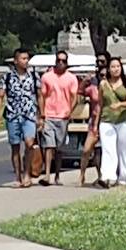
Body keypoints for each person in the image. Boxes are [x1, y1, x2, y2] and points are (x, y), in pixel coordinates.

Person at [37, 53, 83, 185]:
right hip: (49, 115)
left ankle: (57, 175)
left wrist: (70, 110)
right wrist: (42, 114)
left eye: (64, 60)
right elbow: (42, 96)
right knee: (49, 145)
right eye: (59, 60)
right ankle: (47, 175)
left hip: (63, 116)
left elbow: (74, 96)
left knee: (59, 148)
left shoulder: (71, 78)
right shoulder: (47, 77)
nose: (61, 62)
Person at [93, 56, 126, 186]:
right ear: (108, 69)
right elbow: (100, 105)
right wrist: (96, 125)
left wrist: (120, 105)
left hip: (124, 120)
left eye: (118, 66)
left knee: (124, 150)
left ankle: (125, 179)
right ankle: (108, 177)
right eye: (113, 67)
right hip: (107, 121)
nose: (115, 69)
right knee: (108, 149)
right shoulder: (103, 84)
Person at [2, 50, 43, 186]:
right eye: (23, 58)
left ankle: (27, 174)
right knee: (15, 147)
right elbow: (0, 95)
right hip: (13, 114)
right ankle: (18, 177)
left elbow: (40, 95)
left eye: (27, 58)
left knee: (29, 143)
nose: (26, 61)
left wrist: (41, 115)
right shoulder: (7, 77)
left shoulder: (33, 76)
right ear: (16, 61)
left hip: (29, 114)